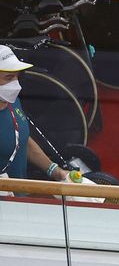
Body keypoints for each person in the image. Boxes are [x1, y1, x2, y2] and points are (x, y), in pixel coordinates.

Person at [0, 46, 90, 185]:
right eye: (9, 77)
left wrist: (54, 170)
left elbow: (22, 139)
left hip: (20, 195)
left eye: (18, 76)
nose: (16, 84)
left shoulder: (12, 102)